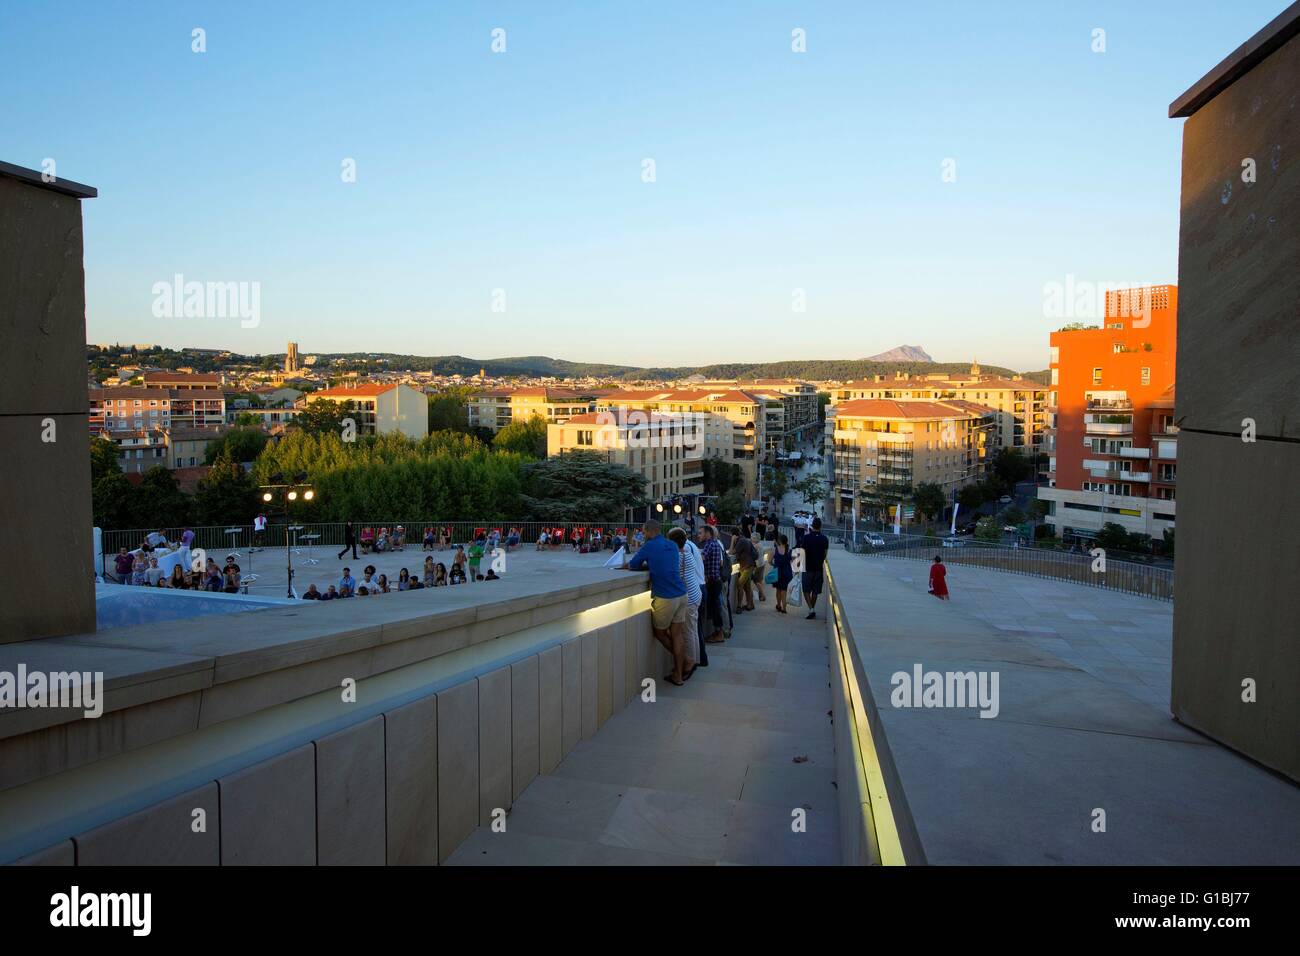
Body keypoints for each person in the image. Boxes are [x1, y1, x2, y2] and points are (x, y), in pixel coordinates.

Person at [624, 520, 688, 686]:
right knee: (677, 635)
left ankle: (683, 662)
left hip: (666, 597)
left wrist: (644, 564)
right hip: (682, 594)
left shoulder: (649, 546)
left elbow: (633, 565)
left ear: (647, 531)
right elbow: (664, 563)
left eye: (643, 532)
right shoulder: (672, 545)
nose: (643, 535)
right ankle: (679, 673)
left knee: (660, 632)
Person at [667, 527, 704, 679]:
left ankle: (689, 663)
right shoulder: (687, 552)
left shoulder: (678, 556)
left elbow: (669, 572)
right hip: (696, 595)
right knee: (693, 630)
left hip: (689, 599)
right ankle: (694, 660)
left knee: (687, 631)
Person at [697, 525, 727, 643]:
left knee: (715, 608)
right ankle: (717, 632)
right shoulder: (714, 543)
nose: (698, 535)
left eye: (701, 533)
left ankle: (719, 634)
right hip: (715, 581)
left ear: (707, 533)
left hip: (713, 582)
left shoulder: (710, 544)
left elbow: (701, 559)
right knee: (715, 608)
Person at [800, 517, 830, 620]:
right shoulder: (825, 539)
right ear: (821, 526)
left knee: (806, 589)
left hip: (808, 568)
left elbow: (801, 553)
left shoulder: (806, 538)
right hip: (818, 568)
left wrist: (798, 566)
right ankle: (812, 609)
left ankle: (811, 609)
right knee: (815, 591)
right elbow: (825, 554)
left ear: (812, 526)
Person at [730, 529, 758, 612]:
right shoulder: (745, 540)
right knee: (747, 586)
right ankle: (750, 604)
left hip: (747, 566)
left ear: (734, 536)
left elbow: (731, 552)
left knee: (739, 584)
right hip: (747, 566)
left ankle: (739, 606)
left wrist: (732, 541)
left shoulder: (741, 541)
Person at [772, 533, 793, 613]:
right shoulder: (789, 550)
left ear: (779, 541)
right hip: (787, 573)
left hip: (777, 572)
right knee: (784, 591)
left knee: (778, 590)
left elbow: (770, 560)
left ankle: (778, 605)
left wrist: (775, 564)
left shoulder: (775, 549)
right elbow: (794, 560)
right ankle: (784, 608)